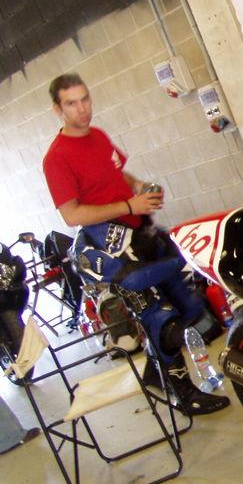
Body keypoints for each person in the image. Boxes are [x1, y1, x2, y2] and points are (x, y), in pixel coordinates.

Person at [42, 73, 230, 416]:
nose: (82, 109)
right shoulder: (56, 158)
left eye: (85, 99)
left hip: (142, 234)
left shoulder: (98, 136)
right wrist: (129, 206)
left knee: (188, 307)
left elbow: (117, 173)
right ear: (58, 109)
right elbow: (71, 215)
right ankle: (183, 393)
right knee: (163, 320)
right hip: (113, 249)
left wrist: (139, 186)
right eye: (72, 103)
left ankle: (156, 372)